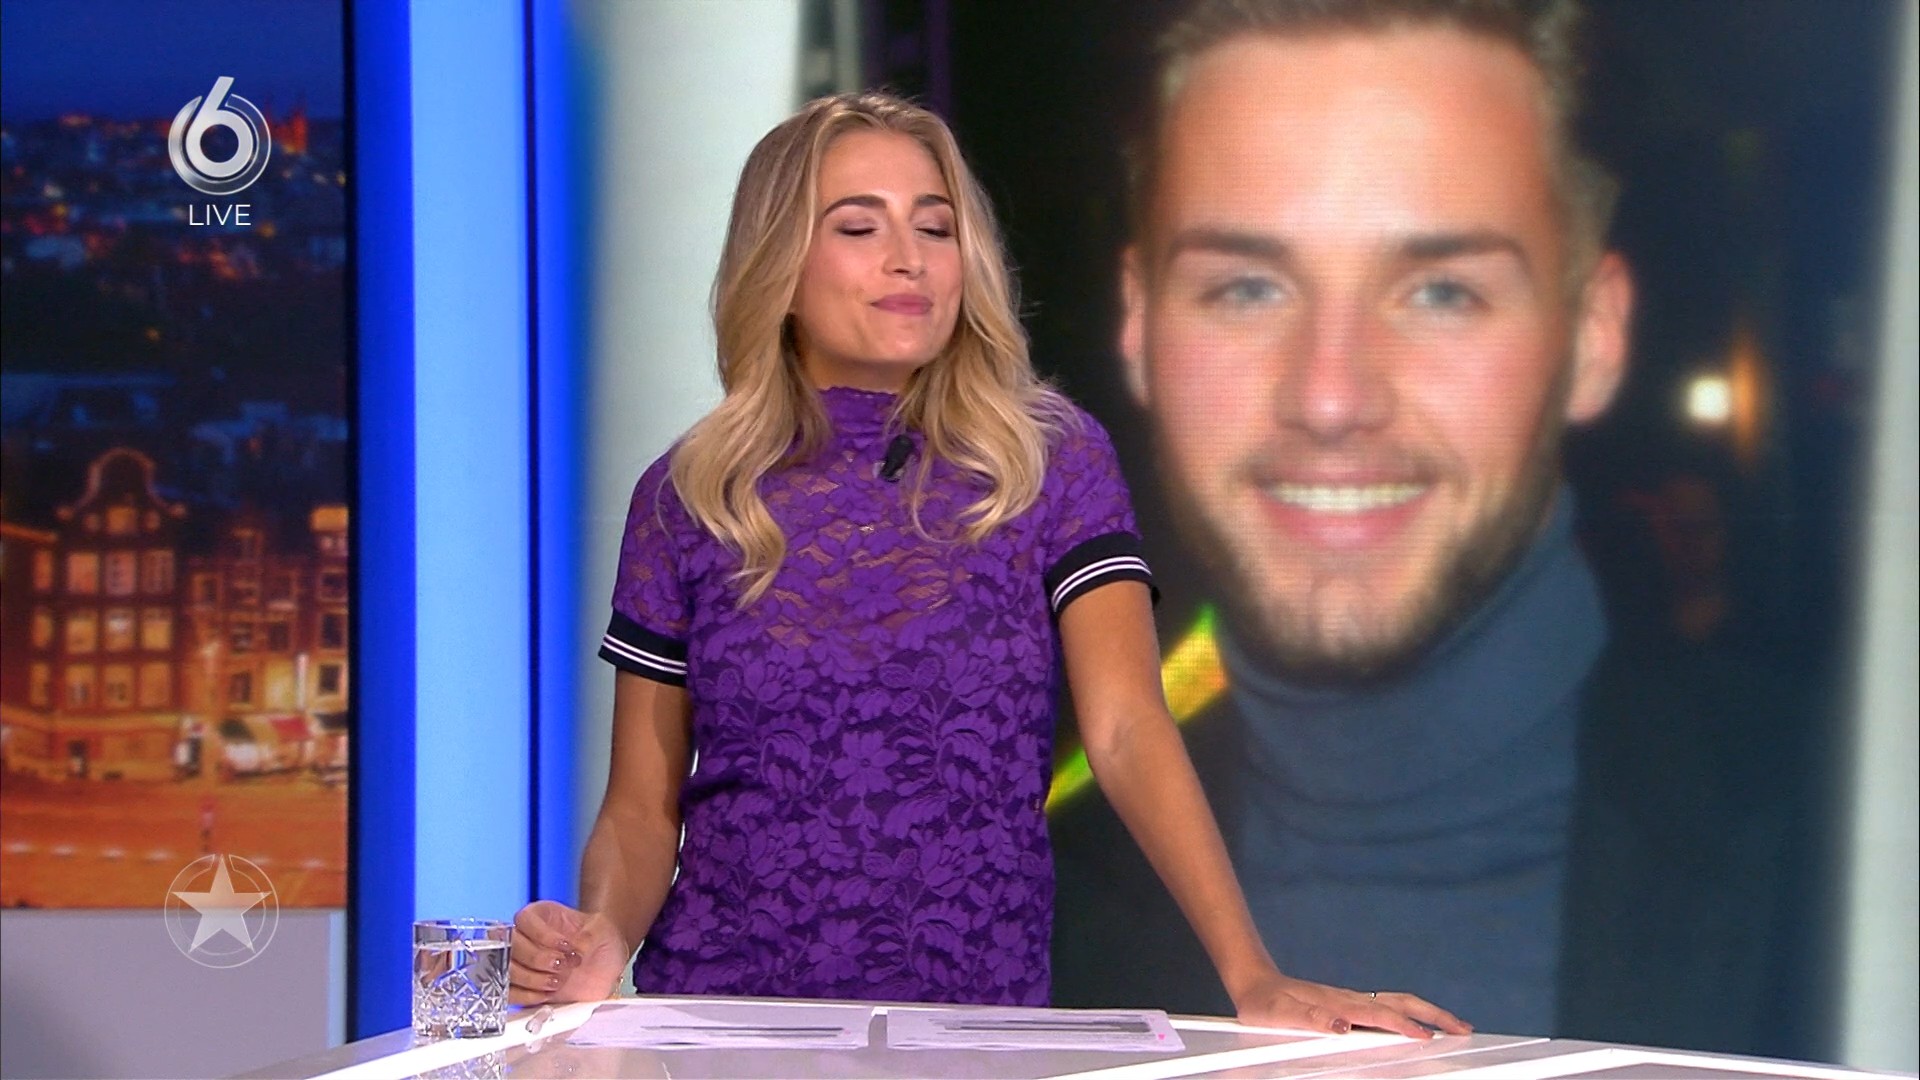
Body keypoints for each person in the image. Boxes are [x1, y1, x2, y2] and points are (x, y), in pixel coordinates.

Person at [504, 90, 1465, 1037]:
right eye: (859, 228)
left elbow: (1127, 728)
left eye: (935, 227)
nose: (909, 258)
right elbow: (640, 805)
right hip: (725, 1022)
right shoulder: (690, 493)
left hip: (972, 1023)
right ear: (779, 264)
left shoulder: (1048, 461)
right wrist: (604, 937)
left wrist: (1251, 975)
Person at [1049, 0, 1820, 1059]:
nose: (1330, 398)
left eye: (1442, 292)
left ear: (1593, 337)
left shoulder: (1844, 858)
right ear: (1139, 326)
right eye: (1248, 287)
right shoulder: (1018, 882)